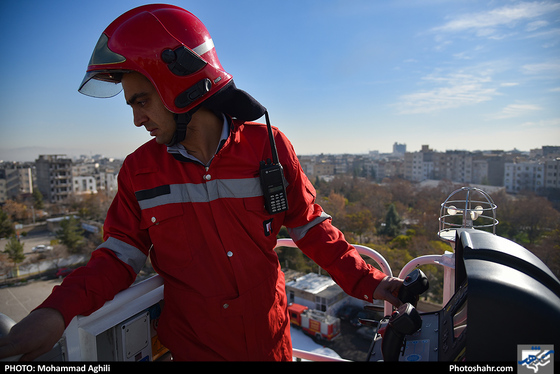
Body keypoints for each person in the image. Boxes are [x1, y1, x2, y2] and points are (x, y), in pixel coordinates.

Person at [0, 4, 403, 361]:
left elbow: (311, 227)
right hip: (195, 350)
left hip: (271, 344)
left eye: (141, 100)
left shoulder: (269, 145)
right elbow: (117, 257)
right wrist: (54, 312)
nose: (137, 120)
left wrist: (373, 282)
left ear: (180, 84)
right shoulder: (139, 172)